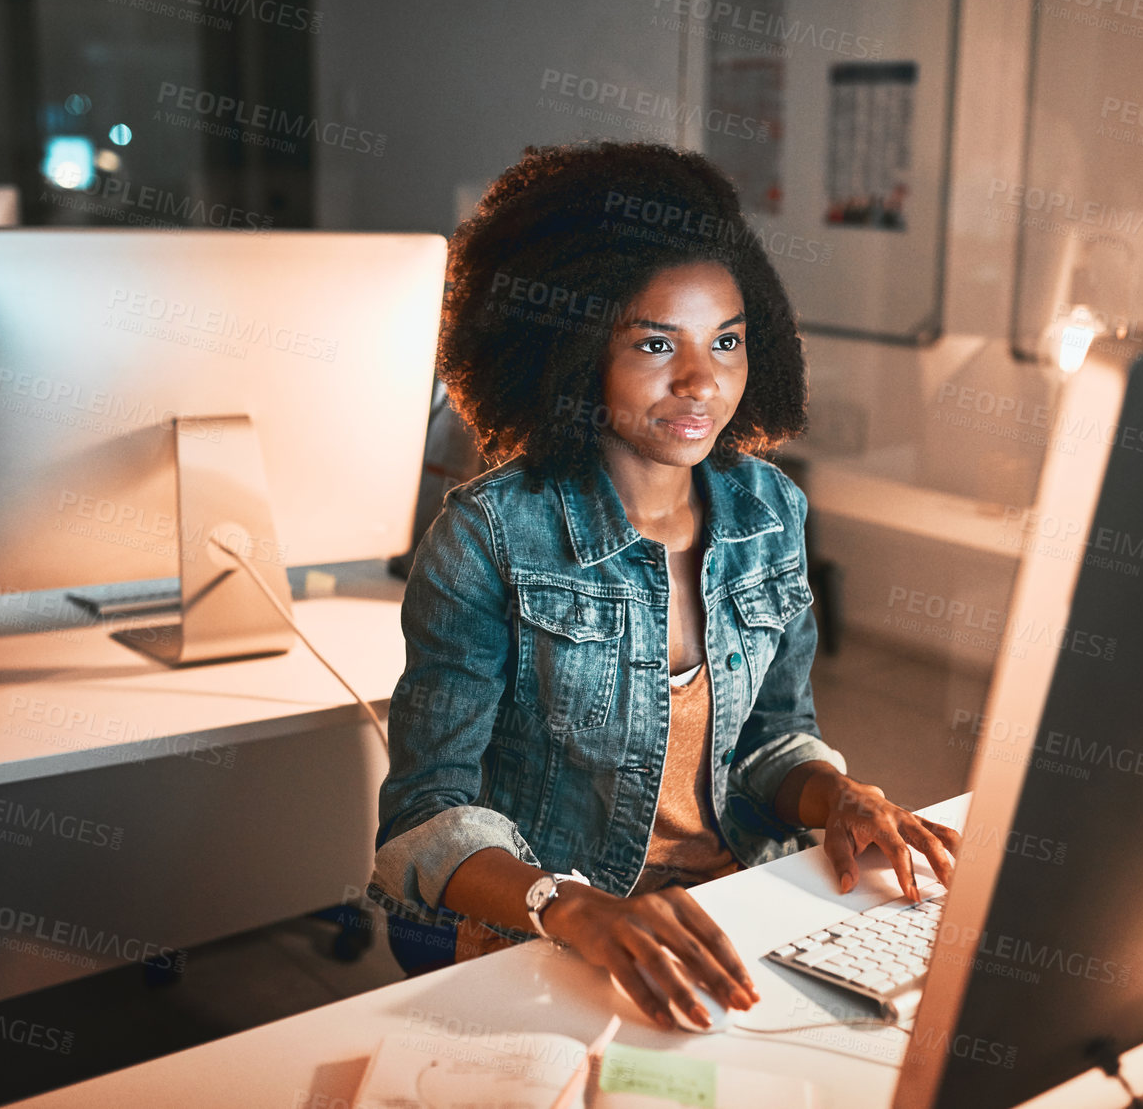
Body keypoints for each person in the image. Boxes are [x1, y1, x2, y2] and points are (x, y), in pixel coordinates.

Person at [367, 141, 959, 1030]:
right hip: (556, 916)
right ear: (570, 354)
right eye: (654, 343)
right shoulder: (486, 538)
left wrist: (842, 797)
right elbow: (424, 816)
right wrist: (570, 906)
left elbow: (770, 744)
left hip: (731, 905)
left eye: (726, 339)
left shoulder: (771, 512)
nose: (702, 381)